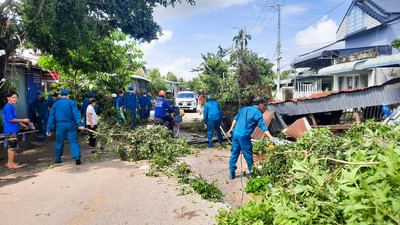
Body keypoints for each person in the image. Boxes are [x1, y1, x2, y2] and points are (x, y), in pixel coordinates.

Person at [226, 97, 274, 179]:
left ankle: (231, 173)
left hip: (236, 134)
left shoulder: (243, 109)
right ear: (260, 104)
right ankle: (252, 173)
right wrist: (271, 138)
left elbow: (235, 119)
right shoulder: (257, 114)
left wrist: (231, 129)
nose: (263, 106)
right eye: (263, 104)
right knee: (248, 154)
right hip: (244, 136)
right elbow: (263, 127)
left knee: (234, 153)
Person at [46, 89, 85, 165]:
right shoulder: (72, 103)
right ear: (68, 95)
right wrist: (80, 125)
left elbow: (51, 117)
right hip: (70, 125)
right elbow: (76, 115)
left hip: (60, 126)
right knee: (73, 141)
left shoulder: (55, 104)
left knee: (59, 142)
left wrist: (48, 129)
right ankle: (77, 157)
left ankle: (58, 158)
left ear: (60, 95)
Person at [3, 92, 30, 169]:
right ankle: (11, 164)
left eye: (16, 97)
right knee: (12, 147)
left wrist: (21, 124)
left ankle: (9, 163)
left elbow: (14, 117)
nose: (15, 99)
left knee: (12, 146)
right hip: (10, 130)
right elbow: (11, 119)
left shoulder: (11, 106)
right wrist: (24, 120)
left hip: (12, 129)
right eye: (13, 97)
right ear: (8, 98)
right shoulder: (8, 107)